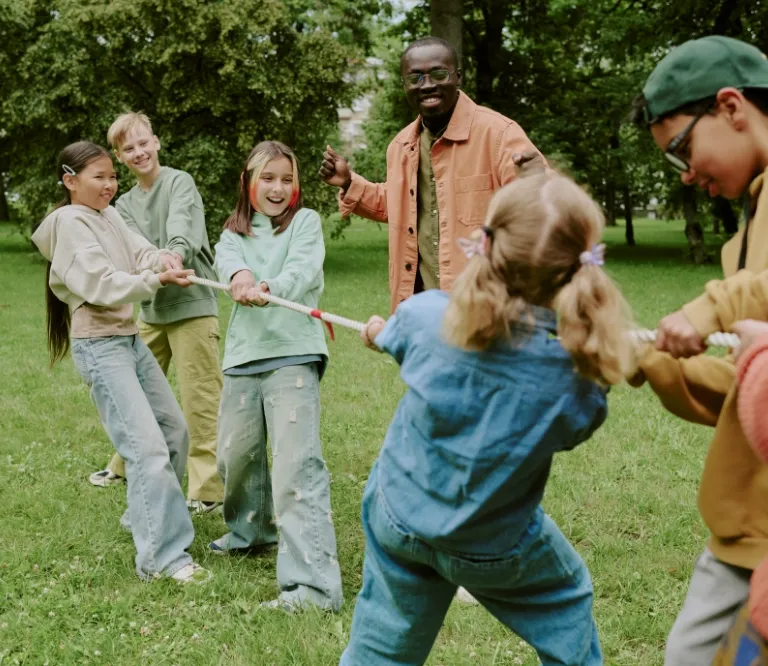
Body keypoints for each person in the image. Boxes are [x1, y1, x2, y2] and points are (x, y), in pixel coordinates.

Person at [339, 162, 634, 665]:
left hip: (398, 515)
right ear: (579, 269)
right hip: (492, 544)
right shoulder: (575, 378)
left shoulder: (425, 316)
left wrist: (377, 333)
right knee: (565, 599)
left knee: (380, 651)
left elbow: (398, 335)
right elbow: (576, 426)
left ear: (488, 244)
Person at [629, 35, 768, 665]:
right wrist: (652, 360)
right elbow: (750, 388)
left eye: (683, 148)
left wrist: (712, 306)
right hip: (745, 529)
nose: (686, 174)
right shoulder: (745, 236)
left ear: (731, 107)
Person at [31, 140, 209, 583]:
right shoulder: (69, 223)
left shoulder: (106, 214)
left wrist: (163, 258)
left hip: (128, 339)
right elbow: (104, 284)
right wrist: (156, 279)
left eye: (113, 176)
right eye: (100, 177)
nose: (110, 184)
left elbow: (139, 250)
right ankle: (163, 559)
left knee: (173, 431)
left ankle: (145, 517)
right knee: (146, 449)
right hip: (100, 346)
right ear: (70, 181)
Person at [318, 36, 543, 314]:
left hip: (484, 308)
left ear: (458, 77)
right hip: (420, 310)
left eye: (438, 74)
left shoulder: (499, 135)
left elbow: (542, 210)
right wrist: (349, 182)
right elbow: (400, 204)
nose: (427, 85)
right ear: (405, 85)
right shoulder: (401, 147)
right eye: (415, 78)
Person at [211, 140, 343, 612]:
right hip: (243, 356)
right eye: (268, 178)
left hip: (293, 353)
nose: (278, 188)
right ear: (247, 182)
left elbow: (303, 269)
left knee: (295, 466)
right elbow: (230, 265)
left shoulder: (305, 223)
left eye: (287, 179)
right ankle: (250, 533)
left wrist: (269, 287)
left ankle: (314, 588)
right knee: (235, 456)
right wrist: (241, 279)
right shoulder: (231, 234)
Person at [87, 112, 225, 515]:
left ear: (157, 142)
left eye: (143, 142)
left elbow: (183, 225)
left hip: (191, 307)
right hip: (150, 309)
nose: (139, 152)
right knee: (132, 390)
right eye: (128, 148)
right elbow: (134, 246)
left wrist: (174, 254)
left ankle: (208, 488)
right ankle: (124, 464)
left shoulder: (180, 182)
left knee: (200, 397)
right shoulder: (123, 204)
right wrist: (156, 263)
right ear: (119, 157)